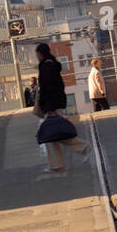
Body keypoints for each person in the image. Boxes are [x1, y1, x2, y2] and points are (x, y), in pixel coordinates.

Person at [36, 43, 88, 175]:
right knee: (54, 135)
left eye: (37, 54)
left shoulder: (47, 67)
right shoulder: (51, 64)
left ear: (41, 53)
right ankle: (57, 165)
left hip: (52, 105)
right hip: (54, 103)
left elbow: (49, 88)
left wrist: (50, 107)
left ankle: (83, 149)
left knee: (54, 135)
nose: (37, 57)